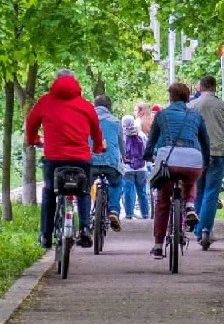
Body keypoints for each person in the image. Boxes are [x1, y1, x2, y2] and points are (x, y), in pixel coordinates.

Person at [25, 69, 105, 249]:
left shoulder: (45, 102)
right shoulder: (85, 105)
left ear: (56, 81)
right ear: (75, 82)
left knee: (49, 192)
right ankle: (84, 227)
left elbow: (31, 123)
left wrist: (33, 140)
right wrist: (98, 147)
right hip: (80, 158)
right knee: (84, 190)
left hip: (54, 158)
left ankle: (45, 235)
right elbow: (96, 130)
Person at [145, 81, 210, 259]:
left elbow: (151, 142)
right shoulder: (196, 116)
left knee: (163, 202)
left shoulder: (162, 115)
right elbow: (205, 142)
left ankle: (158, 246)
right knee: (191, 178)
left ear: (171, 97)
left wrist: (147, 155)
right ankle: (189, 205)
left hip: (168, 159)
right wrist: (206, 161)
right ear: (187, 97)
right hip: (192, 158)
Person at [188, 74, 224, 250]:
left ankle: (197, 229)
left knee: (198, 191)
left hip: (196, 154)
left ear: (200, 87)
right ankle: (204, 229)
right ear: (215, 87)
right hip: (218, 153)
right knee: (211, 192)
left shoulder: (191, 106)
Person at [90, 94, 124, 232]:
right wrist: (125, 157)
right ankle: (114, 211)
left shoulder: (87, 120)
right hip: (111, 163)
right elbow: (121, 143)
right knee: (116, 183)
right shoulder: (116, 121)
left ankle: (85, 218)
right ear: (109, 107)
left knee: (85, 187)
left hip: (90, 161)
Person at [120, 115, 150, 219]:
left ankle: (129, 215)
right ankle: (145, 214)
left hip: (127, 168)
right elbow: (147, 149)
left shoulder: (122, 135)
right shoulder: (141, 134)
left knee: (128, 192)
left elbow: (120, 151)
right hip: (142, 168)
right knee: (142, 192)